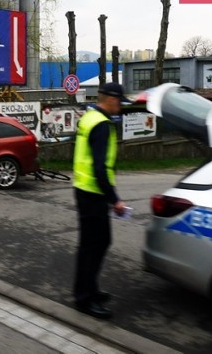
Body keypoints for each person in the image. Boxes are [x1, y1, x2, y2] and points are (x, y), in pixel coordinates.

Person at [72, 82, 130, 319]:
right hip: (93, 194)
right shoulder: (102, 125)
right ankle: (85, 298)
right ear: (110, 99)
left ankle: (87, 290)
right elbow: (99, 167)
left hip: (84, 190)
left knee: (91, 246)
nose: (120, 106)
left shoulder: (90, 117)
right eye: (119, 102)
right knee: (96, 245)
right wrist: (114, 200)